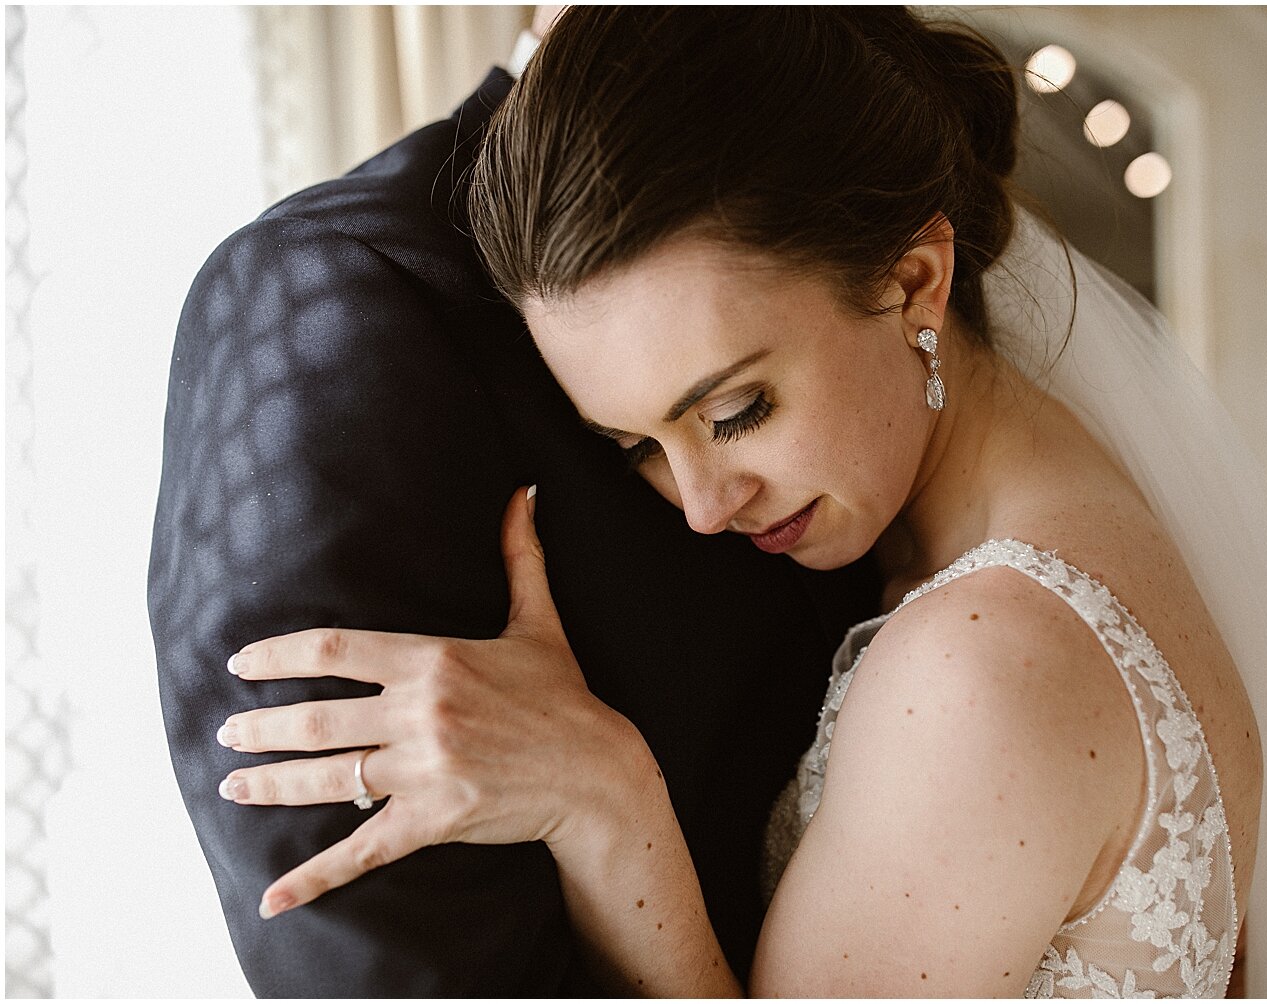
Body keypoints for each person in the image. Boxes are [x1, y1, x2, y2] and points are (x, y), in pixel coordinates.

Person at [207, 7, 1267, 997]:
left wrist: (607, 801)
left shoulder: (984, 665)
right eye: (638, 444)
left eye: (736, 409)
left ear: (915, 279)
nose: (702, 504)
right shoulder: (1060, 506)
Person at [147, 11, 878, 997]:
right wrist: (607, 802)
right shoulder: (335, 295)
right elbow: (391, 963)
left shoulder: (852, 192)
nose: (707, 504)